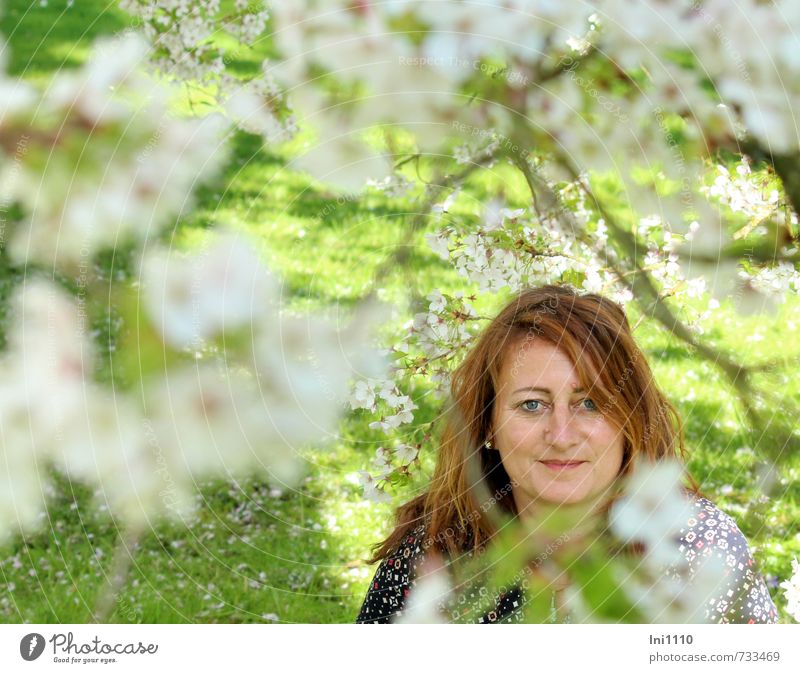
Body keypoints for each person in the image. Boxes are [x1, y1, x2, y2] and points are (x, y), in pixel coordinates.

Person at [355, 285, 778, 624]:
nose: (560, 435)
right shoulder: (431, 555)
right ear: (488, 427)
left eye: (590, 402)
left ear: (630, 419)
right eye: (531, 405)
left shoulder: (702, 549)